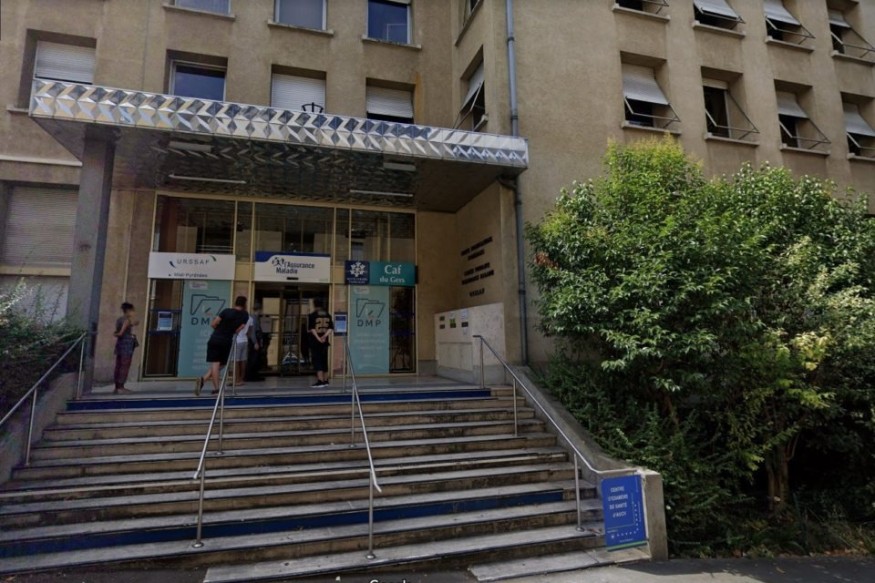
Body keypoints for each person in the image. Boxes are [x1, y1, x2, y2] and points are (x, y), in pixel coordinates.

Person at [195, 296, 249, 396]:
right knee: (222, 364)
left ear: (235, 303)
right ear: (245, 304)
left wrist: (219, 329)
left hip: (215, 339)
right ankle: (207, 382)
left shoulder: (226, 311)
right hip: (227, 341)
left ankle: (210, 384)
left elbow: (213, 324)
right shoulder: (245, 315)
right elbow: (238, 329)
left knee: (216, 364)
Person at [113, 302, 139, 394]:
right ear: (128, 310)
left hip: (120, 344)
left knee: (119, 365)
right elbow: (121, 333)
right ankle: (121, 387)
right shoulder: (126, 320)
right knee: (125, 365)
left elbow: (118, 331)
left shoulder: (119, 319)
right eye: (132, 310)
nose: (133, 312)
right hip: (126, 345)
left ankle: (117, 387)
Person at [307, 298, 333, 388]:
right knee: (324, 360)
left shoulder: (312, 315)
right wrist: (324, 336)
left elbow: (312, 329)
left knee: (317, 361)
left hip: (315, 342)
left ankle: (320, 381)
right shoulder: (328, 315)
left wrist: (318, 338)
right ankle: (326, 380)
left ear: (314, 305)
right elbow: (331, 328)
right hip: (325, 342)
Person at [232, 312, 259, 387]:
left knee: (236, 361)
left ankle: (237, 379)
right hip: (245, 340)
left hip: (237, 341)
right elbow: (251, 332)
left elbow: (233, 329)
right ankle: (241, 379)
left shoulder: (237, 317)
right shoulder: (250, 318)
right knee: (243, 361)